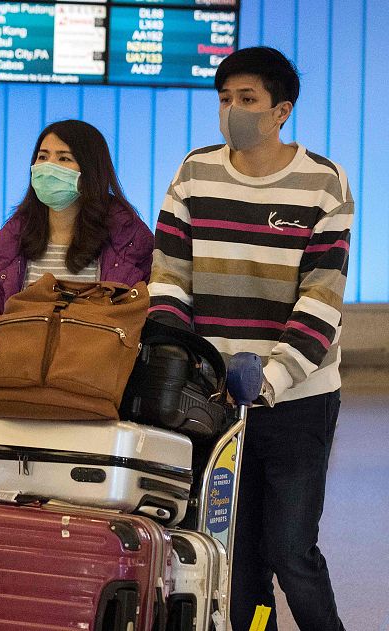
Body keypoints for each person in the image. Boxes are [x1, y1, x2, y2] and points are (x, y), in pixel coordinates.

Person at [148, 47, 351, 631]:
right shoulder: (194, 172)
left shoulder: (322, 182)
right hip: (212, 403)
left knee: (291, 553)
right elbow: (169, 276)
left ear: (281, 110)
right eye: (224, 99)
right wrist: (187, 367)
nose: (232, 111)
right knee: (235, 563)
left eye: (247, 100)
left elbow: (322, 296)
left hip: (297, 400)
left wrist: (270, 377)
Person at [0, 119, 153, 316]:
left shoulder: (126, 241)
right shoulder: (13, 239)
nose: (48, 167)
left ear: (90, 170)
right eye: (42, 157)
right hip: (24, 346)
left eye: (64, 159)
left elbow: (137, 318)